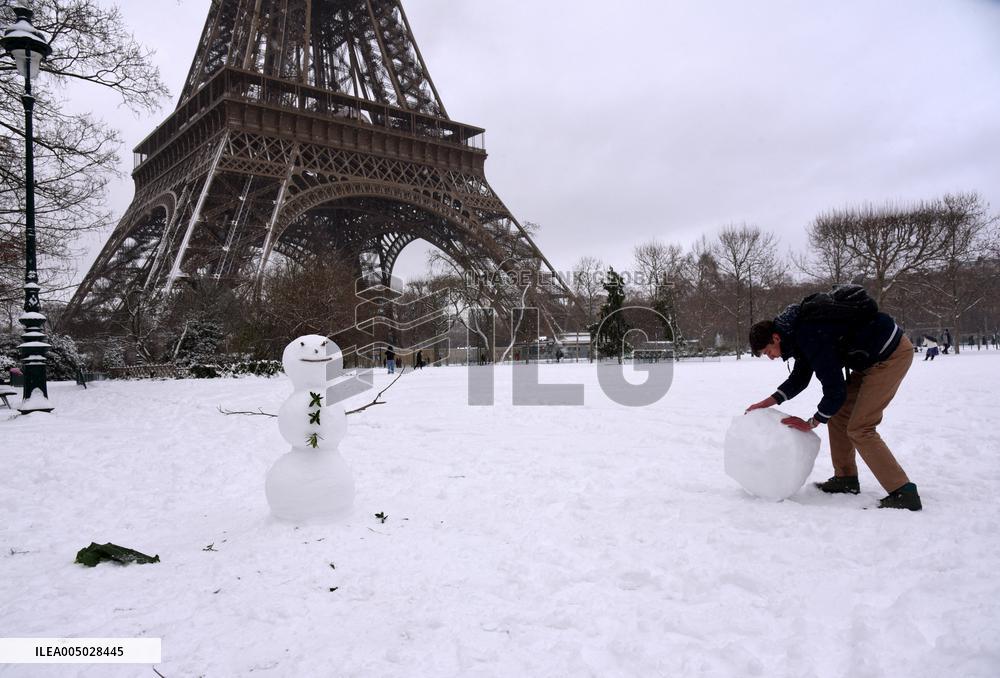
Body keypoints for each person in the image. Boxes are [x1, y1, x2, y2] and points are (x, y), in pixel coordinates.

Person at [746, 291, 921, 511]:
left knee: (860, 427)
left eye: (767, 351)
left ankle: (903, 492)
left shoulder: (808, 334)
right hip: (867, 361)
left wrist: (812, 422)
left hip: (890, 355)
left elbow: (834, 389)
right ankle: (846, 479)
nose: (770, 356)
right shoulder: (796, 333)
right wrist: (767, 402)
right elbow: (800, 378)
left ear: (775, 338)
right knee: (839, 415)